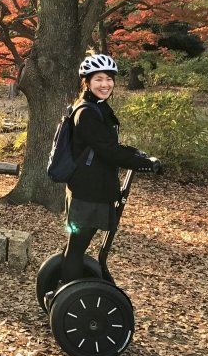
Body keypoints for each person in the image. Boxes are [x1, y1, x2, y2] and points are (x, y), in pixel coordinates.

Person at [61, 54, 162, 282]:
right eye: (98, 79)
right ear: (87, 81)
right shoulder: (87, 112)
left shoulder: (98, 108)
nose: (105, 84)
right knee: (77, 248)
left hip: (93, 187)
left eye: (109, 79)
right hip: (88, 191)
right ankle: (67, 298)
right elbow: (108, 151)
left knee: (77, 246)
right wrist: (146, 164)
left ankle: (66, 295)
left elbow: (108, 145)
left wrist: (138, 154)